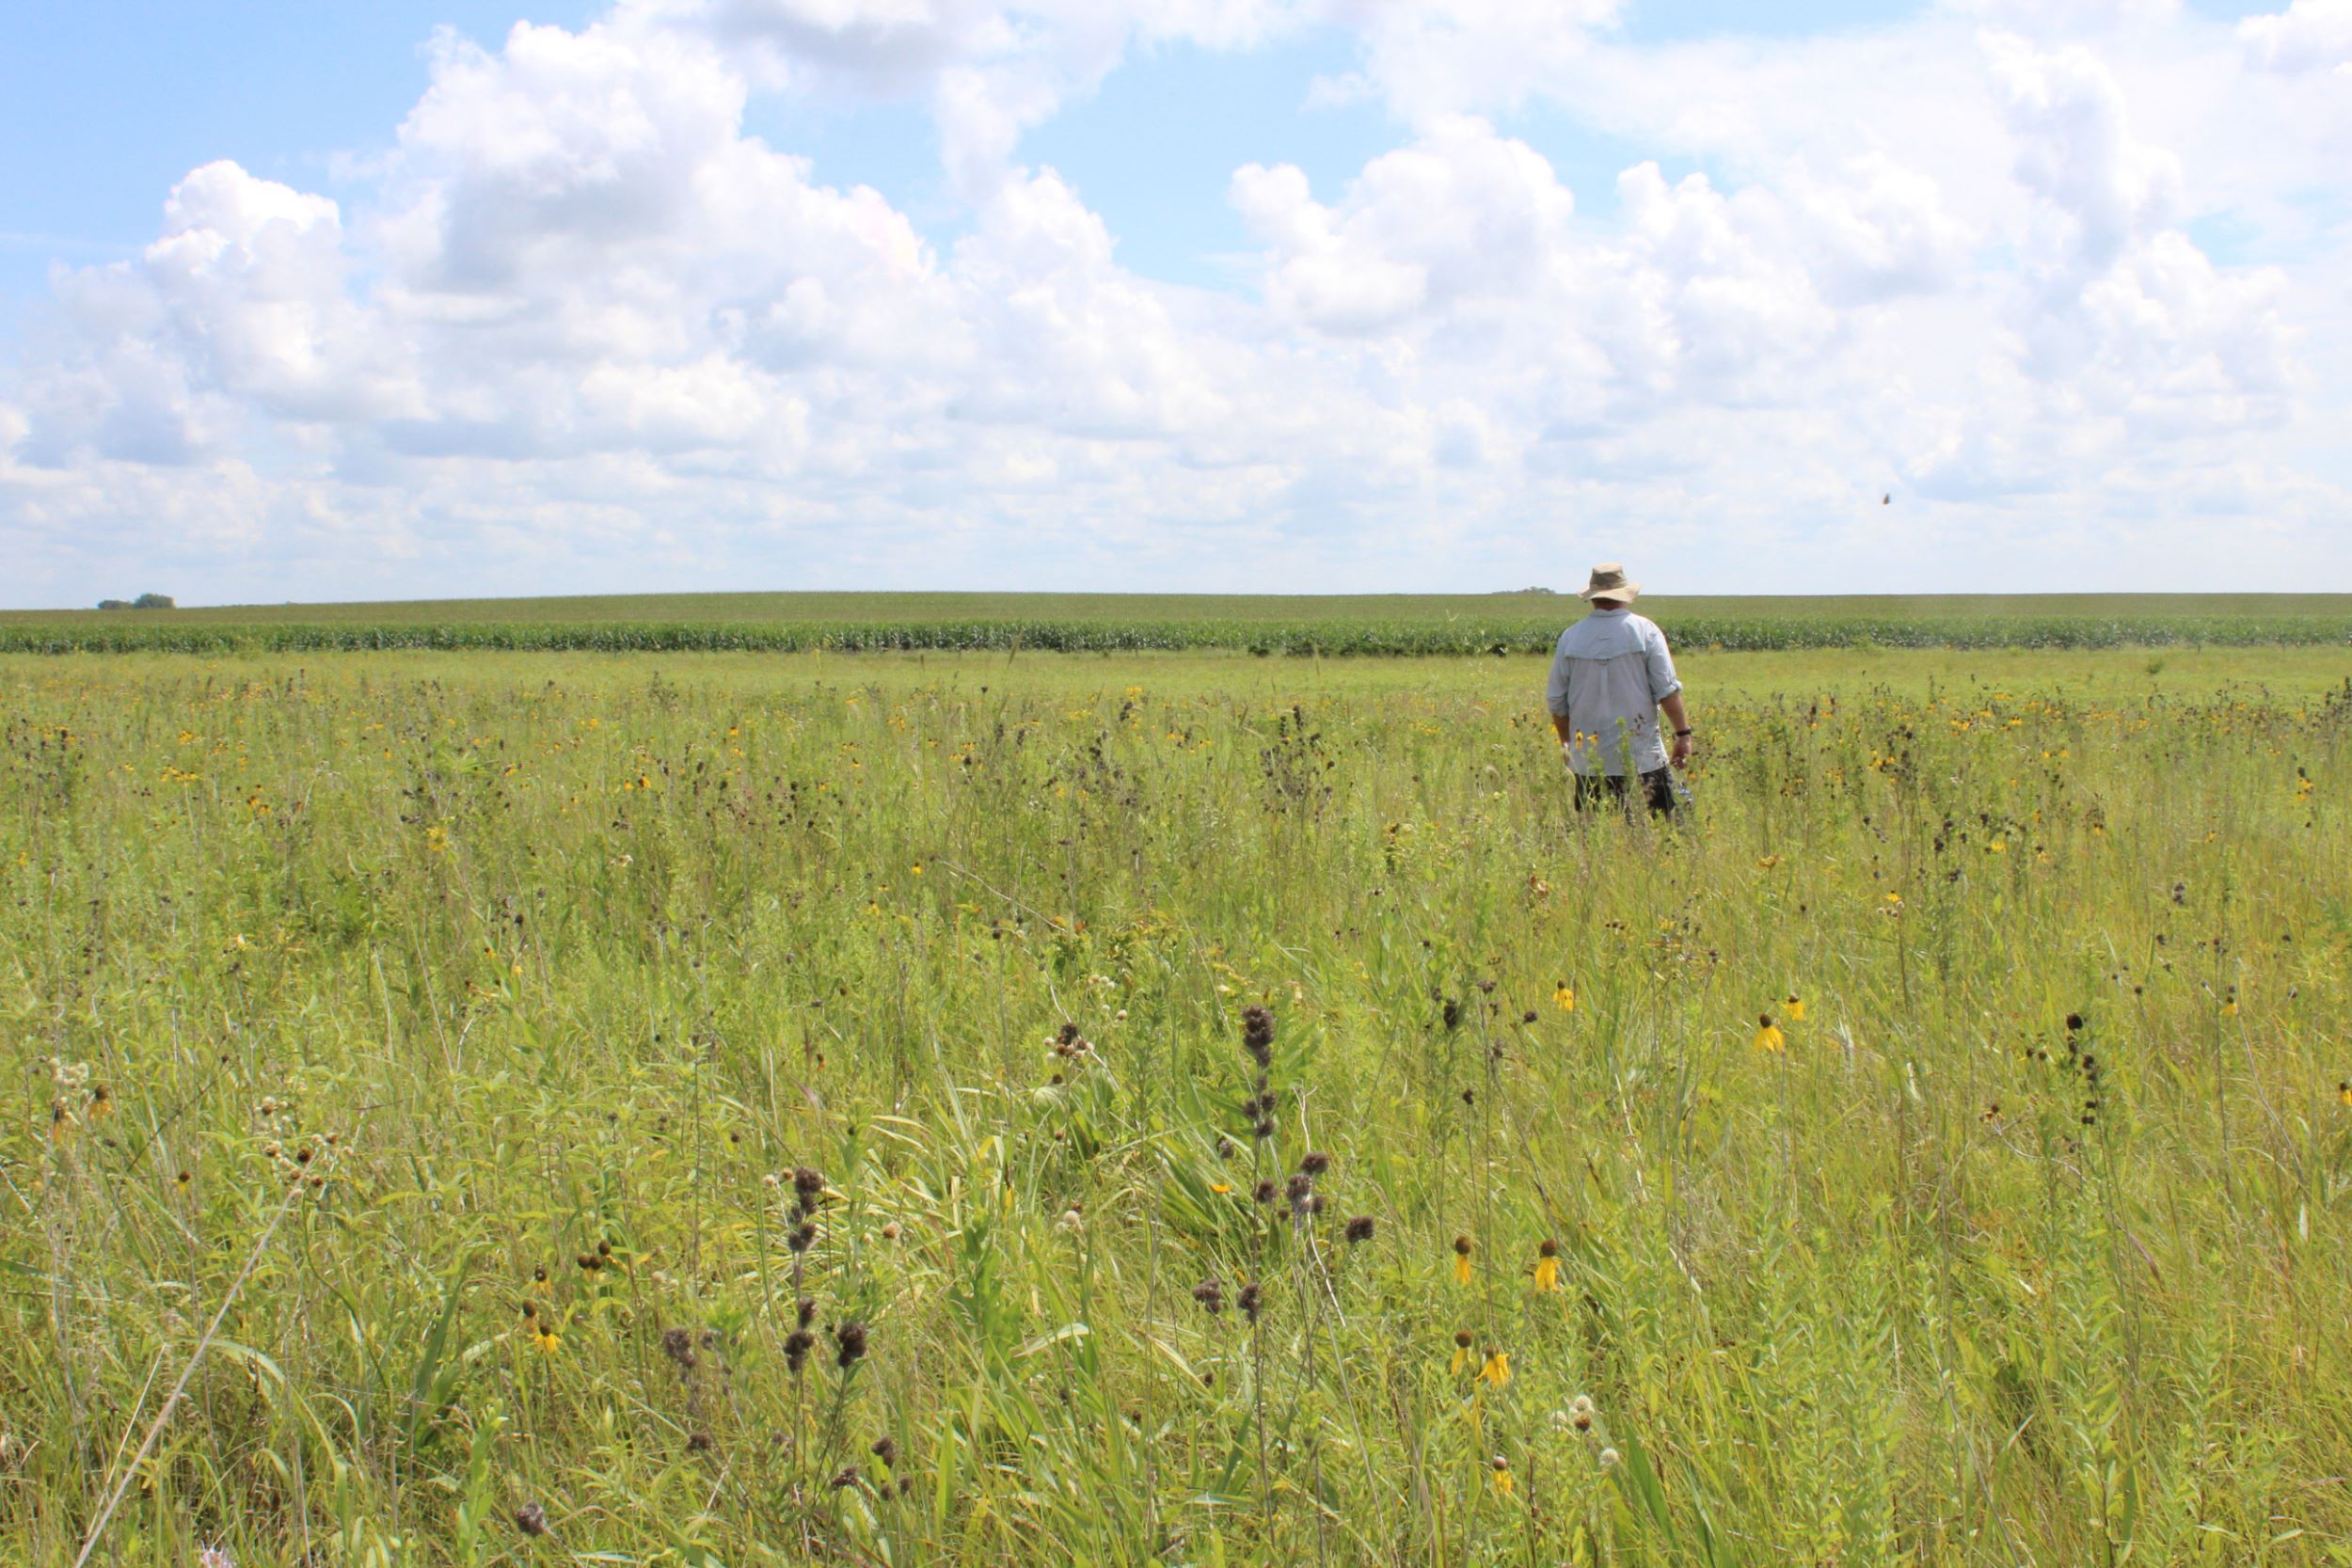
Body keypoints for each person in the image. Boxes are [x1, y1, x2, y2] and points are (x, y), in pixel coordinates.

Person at [1545, 562, 1693, 816]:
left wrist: (1568, 747)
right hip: (1643, 756)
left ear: (1593, 597)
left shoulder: (1571, 637)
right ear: (1624, 595)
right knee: (1664, 831)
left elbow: (1557, 700)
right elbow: (1667, 690)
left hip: (1589, 758)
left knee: (1593, 836)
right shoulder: (1646, 631)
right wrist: (1683, 735)